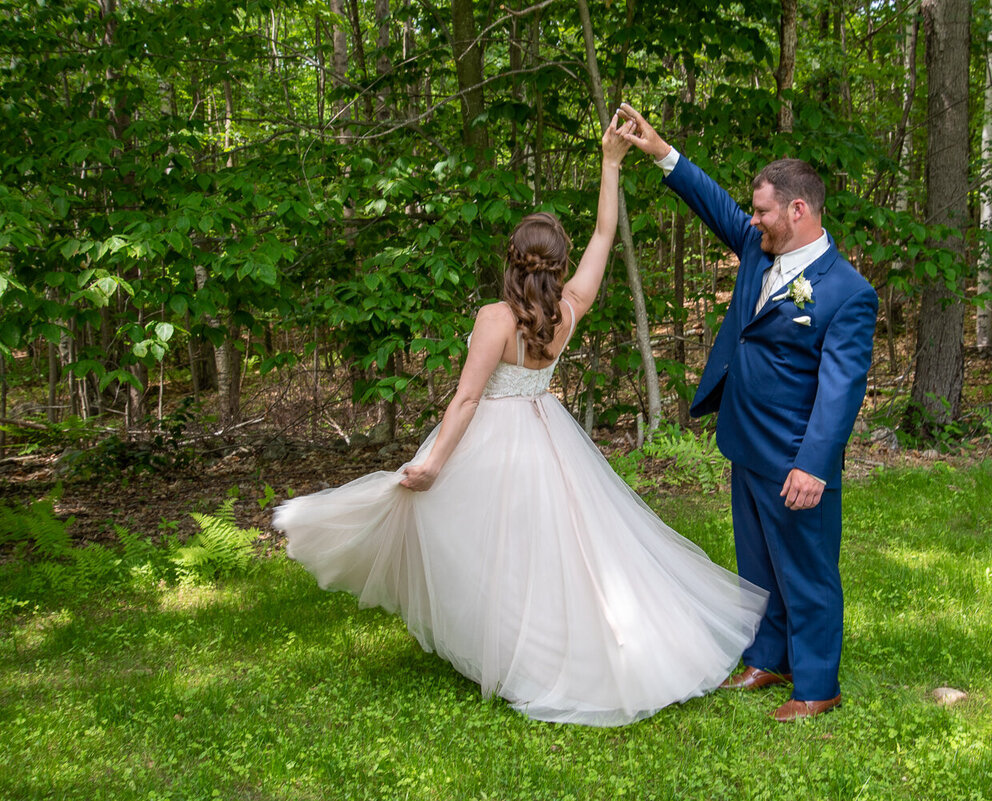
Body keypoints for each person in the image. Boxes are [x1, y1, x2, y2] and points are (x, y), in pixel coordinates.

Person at [273, 114, 767, 728]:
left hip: (493, 441)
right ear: (557, 266)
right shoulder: (568, 310)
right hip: (547, 437)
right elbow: (605, 238)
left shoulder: (494, 318)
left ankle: (516, 655)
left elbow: (466, 401)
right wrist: (609, 166)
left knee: (488, 548)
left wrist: (430, 463)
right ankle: (547, 641)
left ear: (511, 258)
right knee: (551, 550)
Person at [617, 103, 878, 722]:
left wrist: (814, 466)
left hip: (794, 457)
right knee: (758, 566)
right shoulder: (760, 251)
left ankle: (816, 685)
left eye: (762, 209)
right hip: (745, 442)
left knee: (808, 572)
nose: (752, 218)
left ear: (798, 210)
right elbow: (711, 204)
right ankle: (769, 656)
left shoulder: (847, 293)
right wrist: (661, 152)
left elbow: (841, 389)